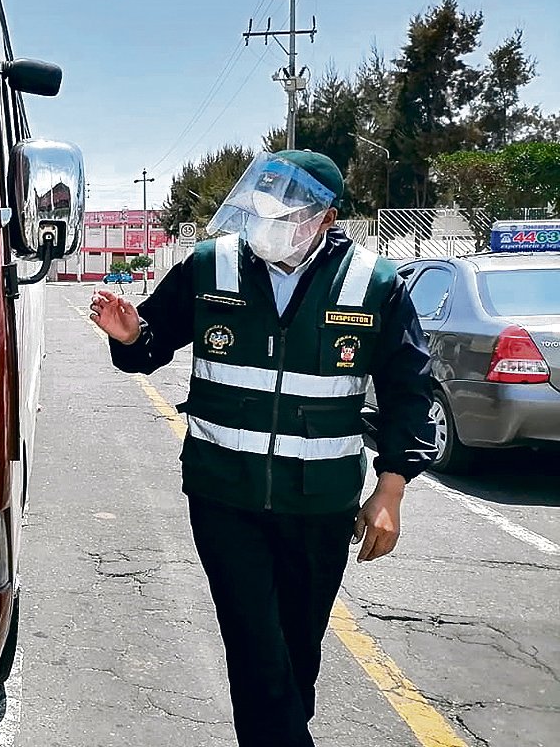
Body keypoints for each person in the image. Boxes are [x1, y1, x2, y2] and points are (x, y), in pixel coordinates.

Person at [88, 150, 434, 747]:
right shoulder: (209, 266)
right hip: (225, 497)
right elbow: (149, 344)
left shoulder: (374, 284)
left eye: (290, 208)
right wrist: (130, 335)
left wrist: (391, 490)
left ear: (325, 219)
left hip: (320, 505)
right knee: (254, 642)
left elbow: (411, 393)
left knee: (297, 648)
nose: (271, 217)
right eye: (265, 202)